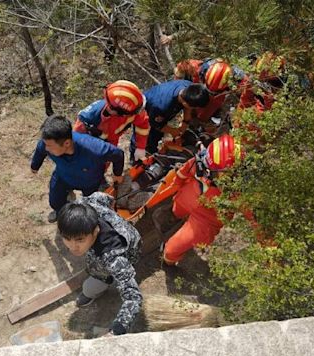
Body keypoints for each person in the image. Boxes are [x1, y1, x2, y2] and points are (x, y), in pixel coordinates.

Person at [57, 192, 142, 336]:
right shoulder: (87, 205)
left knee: (89, 287)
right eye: (66, 238)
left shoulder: (113, 258)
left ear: (96, 231)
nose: (72, 247)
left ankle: (96, 288)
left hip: (129, 249)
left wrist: (118, 329)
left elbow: (133, 297)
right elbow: (103, 196)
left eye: (79, 240)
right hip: (125, 232)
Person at [162, 134, 242, 265]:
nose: (207, 172)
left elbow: (253, 218)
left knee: (171, 250)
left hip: (206, 219)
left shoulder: (240, 192)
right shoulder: (202, 162)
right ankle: (177, 219)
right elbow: (183, 172)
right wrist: (175, 186)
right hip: (186, 198)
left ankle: (168, 262)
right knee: (176, 211)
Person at [31, 115, 125, 223]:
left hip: (90, 183)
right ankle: (62, 212)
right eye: (45, 144)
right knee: (55, 202)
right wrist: (35, 166)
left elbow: (118, 154)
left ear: (66, 143)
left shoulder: (94, 149)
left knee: (90, 210)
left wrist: (117, 174)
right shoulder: (46, 145)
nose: (46, 148)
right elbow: (40, 150)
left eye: (49, 145)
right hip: (63, 177)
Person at [74, 80, 151, 162]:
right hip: (91, 145)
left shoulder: (131, 109)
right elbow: (75, 140)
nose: (136, 114)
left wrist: (140, 147)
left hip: (110, 143)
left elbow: (142, 125)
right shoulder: (89, 118)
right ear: (115, 111)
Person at [136, 80, 210, 155]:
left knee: (158, 134)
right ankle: (138, 157)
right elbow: (157, 125)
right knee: (144, 135)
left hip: (161, 108)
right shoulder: (162, 106)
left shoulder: (190, 88)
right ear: (185, 103)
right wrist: (175, 133)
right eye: (195, 107)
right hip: (144, 109)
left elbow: (188, 109)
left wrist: (185, 123)